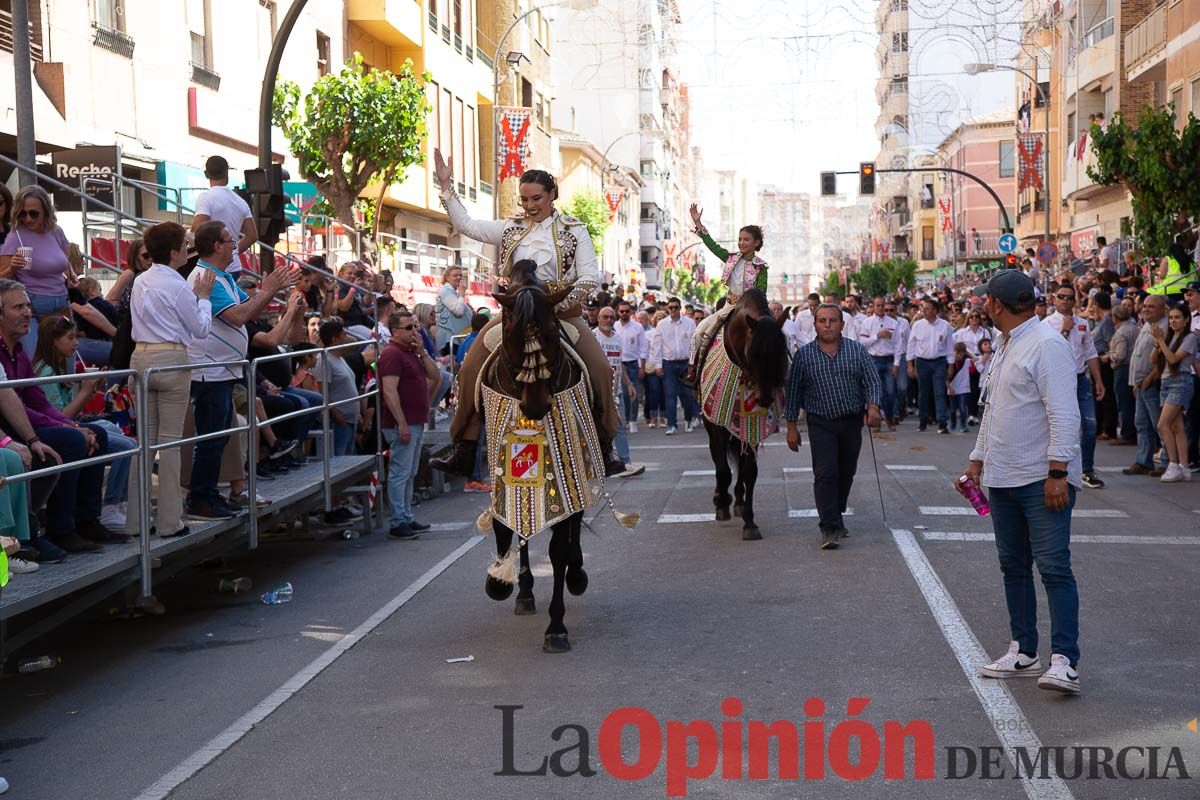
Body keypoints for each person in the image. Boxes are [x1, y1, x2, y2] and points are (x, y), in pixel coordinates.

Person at [428, 149, 618, 476]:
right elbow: (467, 225)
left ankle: (605, 443)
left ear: (552, 194)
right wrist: (446, 186)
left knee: (601, 369)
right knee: (469, 367)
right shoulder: (509, 227)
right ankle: (465, 447)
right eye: (525, 199)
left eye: (536, 198)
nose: (529, 205)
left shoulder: (575, 230)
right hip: (515, 313)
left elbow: (589, 276)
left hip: (560, 313)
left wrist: (557, 302)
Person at [967, 270, 1082, 694]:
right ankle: (1024, 650)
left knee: (1053, 568)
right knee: (1013, 566)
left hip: (1040, 479)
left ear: (997, 304)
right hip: (1003, 478)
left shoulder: (1047, 344)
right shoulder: (1006, 344)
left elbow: (1064, 414)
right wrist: (977, 459)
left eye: (986, 299)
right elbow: (993, 410)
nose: (983, 304)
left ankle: (1065, 660)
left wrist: (1058, 473)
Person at [184, 221, 297, 520]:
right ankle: (201, 498)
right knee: (211, 437)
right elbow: (237, 317)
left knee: (219, 437)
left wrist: (269, 292)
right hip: (210, 371)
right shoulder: (205, 276)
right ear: (216, 246)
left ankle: (209, 495)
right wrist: (268, 290)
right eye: (229, 241)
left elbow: (251, 309)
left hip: (224, 370)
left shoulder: (223, 277)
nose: (235, 246)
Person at [0, 279, 119, 552]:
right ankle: (59, 528)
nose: (27, 313)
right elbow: (17, 407)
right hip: (9, 429)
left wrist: (70, 423)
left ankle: (86, 520)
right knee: (72, 440)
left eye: (27, 306)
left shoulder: (18, 351)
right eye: (18, 307)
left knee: (97, 434)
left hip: (24, 423)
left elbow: (38, 401)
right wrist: (70, 429)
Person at [125, 222, 214, 538]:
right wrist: (204, 297)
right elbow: (200, 328)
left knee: (145, 443)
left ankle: (135, 521)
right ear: (175, 252)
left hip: (141, 357)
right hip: (170, 359)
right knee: (170, 442)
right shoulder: (177, 285)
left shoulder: (140, 280)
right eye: (184, 246)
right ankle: (169, 522)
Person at [784, 304, 881, 550]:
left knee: (846, 472)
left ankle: (836, 513)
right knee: (826, 473)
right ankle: (828, 527)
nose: (827, 325)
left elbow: (872, 381)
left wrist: (873, 406)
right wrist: (791, 426)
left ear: (842, 324)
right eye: (822, 321)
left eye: (833, 320)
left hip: (851, 421)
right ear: (815, 325)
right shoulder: (804, 356)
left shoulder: (857, 351)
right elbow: (793, 393)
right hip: (821, 423)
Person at [32, 315, 137, 529]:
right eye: (70, 338)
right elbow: (61, 416)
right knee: (127, 446)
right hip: (58, 429)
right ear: (54, 341)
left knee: (117, 433)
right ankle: (111, 505)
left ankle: (117, 502)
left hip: (71, 424)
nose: (76, 343)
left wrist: (91, 390)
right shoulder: (47, 372)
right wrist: (86, 392)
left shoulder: (59, 367)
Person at [686, 203, 767, 371]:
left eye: (746, 239)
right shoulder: (731, 258)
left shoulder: (761, 267)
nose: (741, 243)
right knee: (699, 333)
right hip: (729, 307)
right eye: (740, 239)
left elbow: (761, 291)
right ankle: (694, 370)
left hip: (752, 310)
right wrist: (698, 224)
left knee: (778, 335)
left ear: (756, 243)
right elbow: (713, 246)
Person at [378, 310, 438, 540]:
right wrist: (401, 422)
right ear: (395, 331)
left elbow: (435, 375)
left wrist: (422, 351)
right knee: (400, 473)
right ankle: (397, 521)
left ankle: (406, 516)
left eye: (415, 326)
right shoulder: (392, 354)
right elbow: (389, 391)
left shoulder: (411, 351)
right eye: (409, 327)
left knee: (409, 472)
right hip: (402, 423)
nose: (414, 331)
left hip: (415, 420)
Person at [0, 186, 79, 354]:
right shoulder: (15, 236)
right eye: (22, 214)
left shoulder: (56, 231)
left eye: (33, 213)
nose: (28, 219)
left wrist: (71, 274)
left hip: (61, 304)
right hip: (33, 308)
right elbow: (2, 280)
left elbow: (64, 259)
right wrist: (13, 268)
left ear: (46, 211)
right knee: (35, 361)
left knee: (66, 361)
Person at [1043, 285, 1105, 488]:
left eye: (1069, 297)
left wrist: (1098, 380)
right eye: (1061, 297)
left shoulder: (1083, 324)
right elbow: (1050, 352)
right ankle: (1052, 468)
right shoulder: (1046, 325)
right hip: (1057, 380)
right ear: (1054, 299)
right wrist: (1065, 330)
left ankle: (1087, 469)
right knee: (1056, 425)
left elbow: (1091, 353)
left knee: (1090, 425)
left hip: (1080, 379)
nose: (1065, 301)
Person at [593, 306, 644, 478]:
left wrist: (628, 384)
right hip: (600, 391)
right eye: (605, 317)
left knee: (620, 426)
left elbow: (619, 363)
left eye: (611, 317)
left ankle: (625, 462)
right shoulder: (593, 337)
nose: (608, 320)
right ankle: (602, 462)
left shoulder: (618, 338)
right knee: (601, 428)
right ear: (598, 318)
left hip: (617, 391)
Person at [1122, 295, 1170, 477]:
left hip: (1153, 384)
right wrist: (1136, 382)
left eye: (1151, 307)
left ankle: (1167, 461)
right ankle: (1144, 461)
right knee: (1142, 424)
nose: (1146, 309)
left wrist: (1150, 378)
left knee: (1161, 425)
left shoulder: (1165, 327)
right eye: (1145, 306)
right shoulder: (1147, 325)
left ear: (1163, 309)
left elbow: (1164, 358)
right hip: (1141, 384)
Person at [1151, 305, 1196, 482]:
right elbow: (1153, 359)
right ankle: (1184, 466)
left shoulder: (1190, 337)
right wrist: (1158, 342)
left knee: (1163, 424)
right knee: (1177, 427)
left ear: (1186, 320)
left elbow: (1173, 359)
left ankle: (1173, 464)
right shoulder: (1169, 337)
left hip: (1180, 382)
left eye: (1177, 317)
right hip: (1166, 382)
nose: (1173, 321)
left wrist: (1161, 341)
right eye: (1171, 318)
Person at [191, 155, 257, 260]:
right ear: (226, 173)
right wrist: (232, 252)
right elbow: (252, 236)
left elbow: (197, 229)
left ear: (206, 174)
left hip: (213, 263)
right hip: (234, 263)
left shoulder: (205, 197)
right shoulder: (241, 202)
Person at [649, 297, 697, 435]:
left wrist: (693, 364)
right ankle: (671, 425)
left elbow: (694, 345)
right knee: (670, 395)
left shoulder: (689, 323)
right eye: (671, 307)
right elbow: (657, 346)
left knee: (687, 395)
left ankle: (688, 420)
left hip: (685, 364)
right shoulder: (662, 324)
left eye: (676, 307)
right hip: (668, 364)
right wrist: (658, 366)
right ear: (668, 309)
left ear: (680, 308)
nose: (673, 310)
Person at [906, 297, 954, 433]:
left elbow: (950, 347)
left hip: (939, 362)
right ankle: (923, 420)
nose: (924, 311)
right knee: (923, 393)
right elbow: (911, 346)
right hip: (922, 362)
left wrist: (951, 365)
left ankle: (942, 422)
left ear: (935, 310)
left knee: (940, 392)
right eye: (923, 309)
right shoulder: (917, 325)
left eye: (927, 309)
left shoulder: (945, 325)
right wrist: (910, 365)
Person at [855, 295, 900, 430]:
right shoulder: (867, 323)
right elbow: (862, 343)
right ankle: (877, 420)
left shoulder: (893, 323)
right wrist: (877, 336)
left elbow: (898, 344)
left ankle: (889, 417)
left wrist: (897, 363)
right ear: (873, 306)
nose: (880, 308)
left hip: (889, 359)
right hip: (874, 360)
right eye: (877, 305)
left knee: (891, 392)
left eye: (882, 305)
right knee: (876, 391)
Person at [1107, 303, 1139, 447]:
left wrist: (1109, 356)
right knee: (1131, 403)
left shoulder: (1121, 332)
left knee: (1124, 403)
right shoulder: (1135, 328)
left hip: (1123, 369)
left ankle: (1127, 434)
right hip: (1133, 367)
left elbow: (1120, 355)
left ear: (1115, 317)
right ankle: (1131, 432)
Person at [614, 300, 646, 433]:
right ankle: (625, 419)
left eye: (627, 311)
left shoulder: (637, 327)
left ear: (631, 312)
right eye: (622, 311)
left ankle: (633, 420)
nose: (624, 313)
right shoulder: (614, 326)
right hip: (618, 364)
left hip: (633, 364)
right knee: (622, 394)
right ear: (618, 312)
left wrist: (642, 366)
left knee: (633, 394)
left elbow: (643, 347)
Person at [435, 265, 472, 355]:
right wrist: (462, 294)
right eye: (455, 275)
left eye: (460, 276)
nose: (459, 277)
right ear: (447, 277)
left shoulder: (452, 293)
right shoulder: (445, 291)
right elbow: (458, 311)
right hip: (450, 339)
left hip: (456, 338)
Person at [947, 341, 971, 433]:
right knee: (952, 409)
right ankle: (953, 424)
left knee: (962, 408)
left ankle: (963, 425)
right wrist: (949, 388)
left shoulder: (967, 361)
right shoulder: (950, 363)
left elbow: (976, 359)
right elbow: (945, 377)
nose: (958, 355)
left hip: (964, 388)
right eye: (956, 352)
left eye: (961, 353)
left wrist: (968, 352)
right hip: (952, 388)